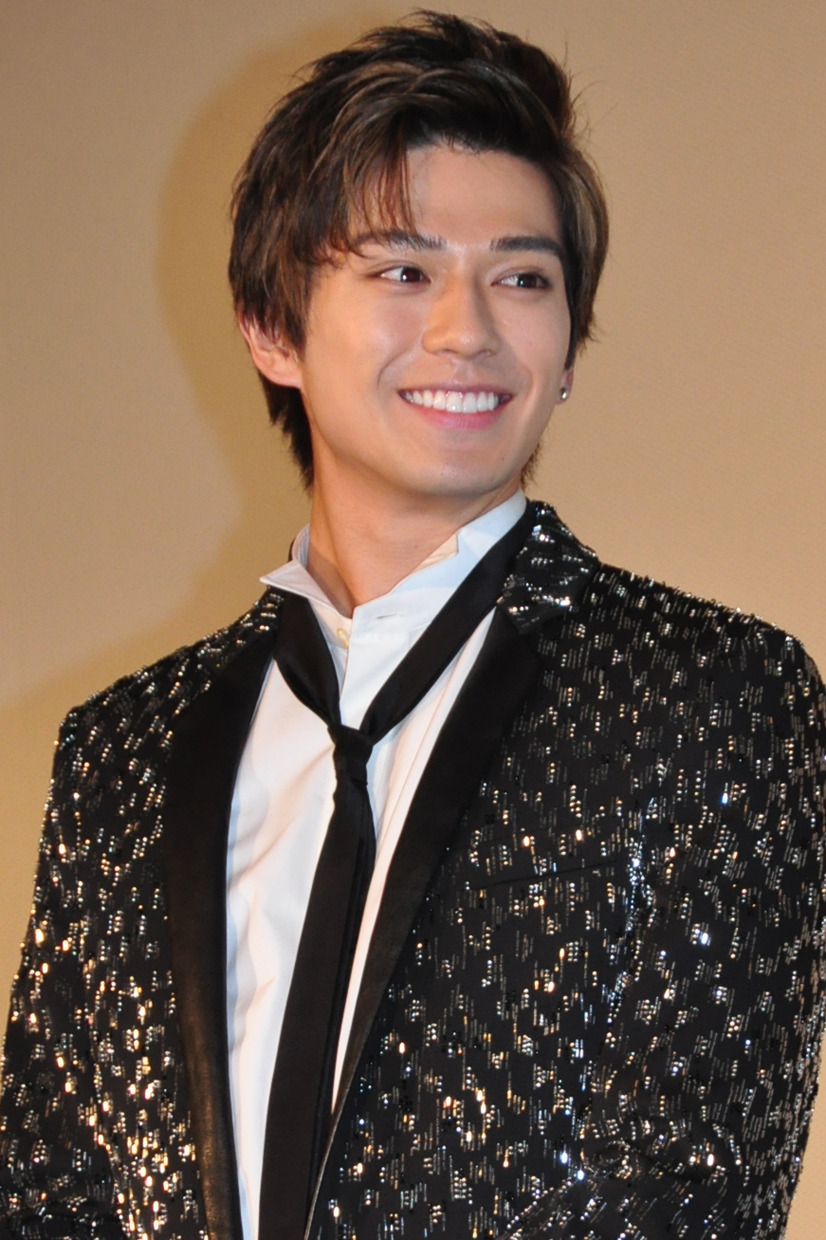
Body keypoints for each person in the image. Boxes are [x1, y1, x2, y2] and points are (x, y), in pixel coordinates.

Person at [1, 11, 824, 1240]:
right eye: (402, 271)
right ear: (271, 327)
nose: (467, 329)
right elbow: (46, 1193)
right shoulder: (121, 753)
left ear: (568, 345)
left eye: (522, 277)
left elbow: (687, 1193)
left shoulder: (717, 701)